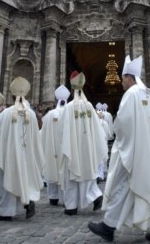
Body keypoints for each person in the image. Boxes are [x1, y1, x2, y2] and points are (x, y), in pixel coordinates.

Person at [88, 55, 150, 242]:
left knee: (122, 186)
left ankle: (108, 226)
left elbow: (123, 122)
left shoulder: (131, 94)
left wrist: (117, 137)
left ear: (129, 77)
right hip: (149, 149)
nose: (121, 83)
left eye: (122, 79)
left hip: (133, 150)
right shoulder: (145, 92)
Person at [0, 77, 45, 221]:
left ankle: (6, 211)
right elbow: (37, 134)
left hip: (8, 154)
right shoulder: (31, 114)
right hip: (27, 154)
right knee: (24, 175)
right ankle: (27, 200)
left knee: (6, 176)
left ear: (12, 95)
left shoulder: (6, 113)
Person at [58, 71, 108, 215]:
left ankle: (71, 206)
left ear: (72, 90)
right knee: (86, 171)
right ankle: (95, 196)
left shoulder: (68, 108)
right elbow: (97, 128)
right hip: (87, 146)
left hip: (72, 146)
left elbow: (61, 129)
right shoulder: (89, 107)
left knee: (72, 174)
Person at [41, 85, 70, 205]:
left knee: (52, 166)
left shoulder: (48, 115)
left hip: (52, 149)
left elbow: (43, 133)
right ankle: (65, 197)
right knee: (65, 170)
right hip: (65, 148)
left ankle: (53, 196)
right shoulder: (70, 113)